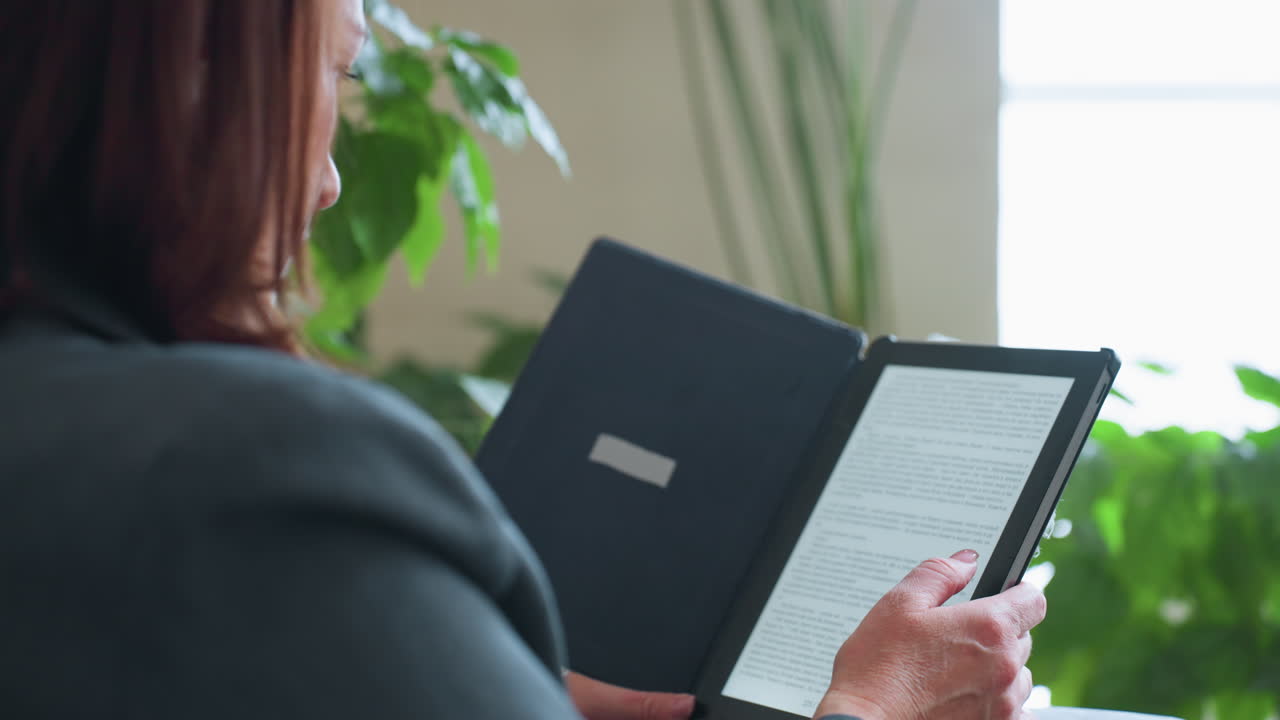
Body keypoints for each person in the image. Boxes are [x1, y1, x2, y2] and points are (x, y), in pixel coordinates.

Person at [0, 1, 1045, 718]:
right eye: (335, 72)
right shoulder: (251, 471)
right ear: (184, 86)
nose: (326, 183)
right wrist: (872, 704)